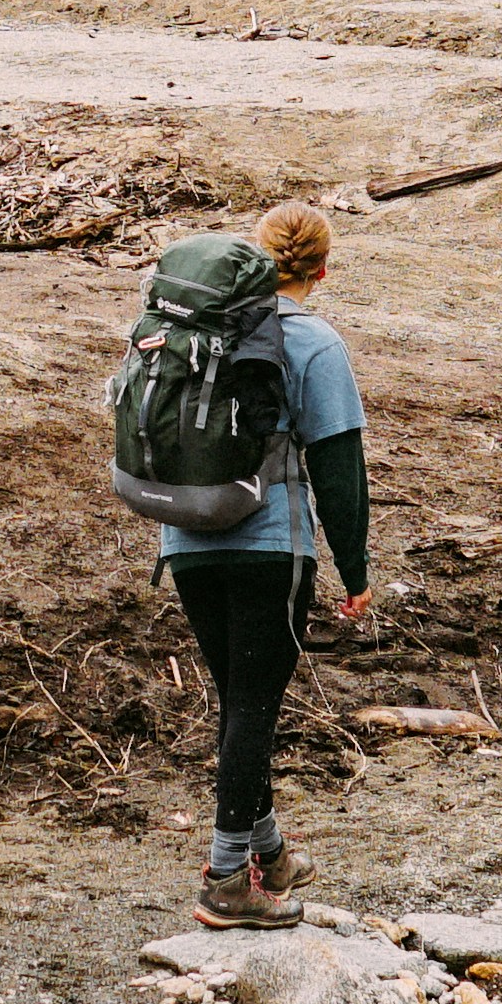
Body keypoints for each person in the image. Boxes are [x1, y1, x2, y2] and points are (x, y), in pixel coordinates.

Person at [157, 199, 369, 929]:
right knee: (253, 705)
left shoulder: (199, 330)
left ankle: (269, 851)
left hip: (183, 541)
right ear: (321, 269)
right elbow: (339, 473)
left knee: (240, 698)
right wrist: (357, 570)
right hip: (269, 547)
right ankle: (224, 880)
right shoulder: (313, 342)